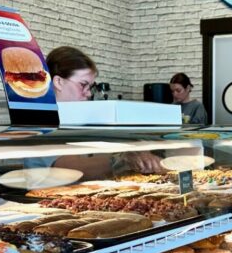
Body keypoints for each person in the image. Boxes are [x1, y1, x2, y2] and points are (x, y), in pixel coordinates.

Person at [29, 46, 163, 175]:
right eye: (83, 85)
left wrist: (137, 150)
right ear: (58, 82)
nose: (88, 93)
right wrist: (120, 159)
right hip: (44, 190)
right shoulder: (42, 119)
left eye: (90, 87)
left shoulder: (80, 118)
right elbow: (68, 168)